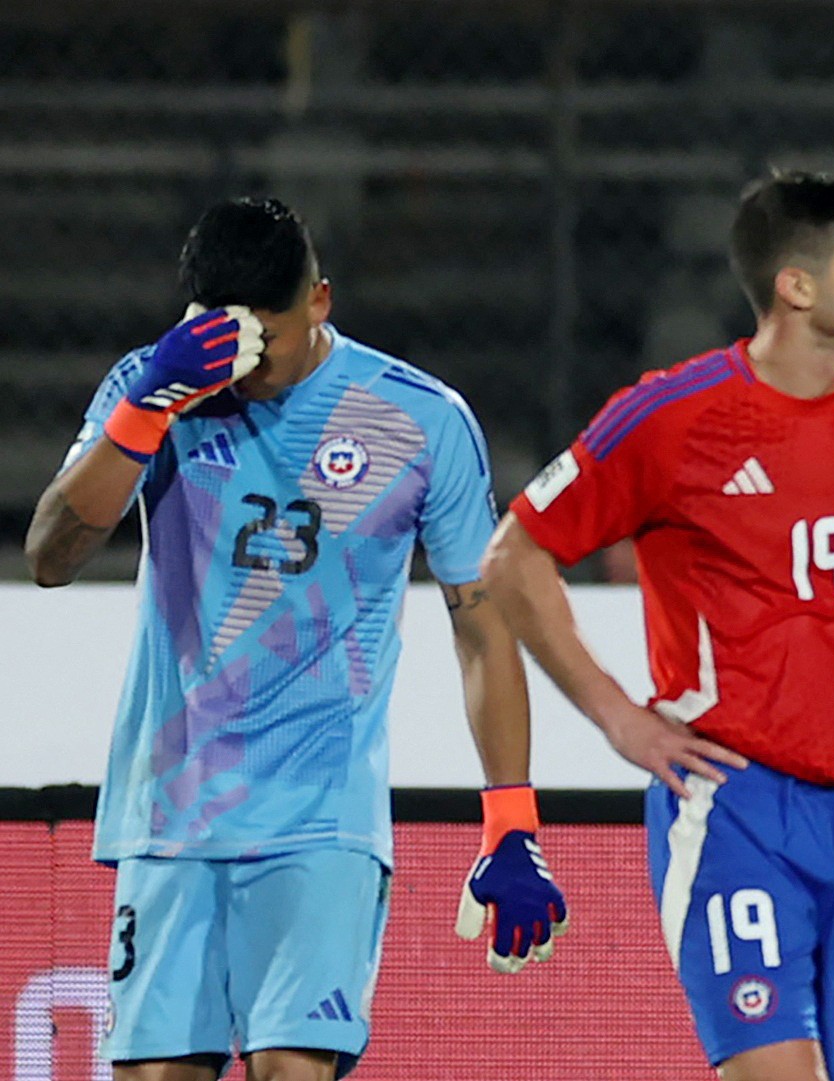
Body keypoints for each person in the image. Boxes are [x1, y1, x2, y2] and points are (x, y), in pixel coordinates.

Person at [24, 197, 566, 1081]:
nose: (242, 368)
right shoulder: (153, 387)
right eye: (223, 339)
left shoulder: (419, 420)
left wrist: (511, 817)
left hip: (321, 817)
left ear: (319, 300)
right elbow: (51, 554)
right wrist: (147, 407)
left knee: (292, 1069)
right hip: (170, 811)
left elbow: (482, 625)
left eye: (263, 344)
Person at [484, 169, 834, 1081]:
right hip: (732, 801)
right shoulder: (671, 416)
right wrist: (618, 716)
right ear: (796, 285)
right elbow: (512, 556)